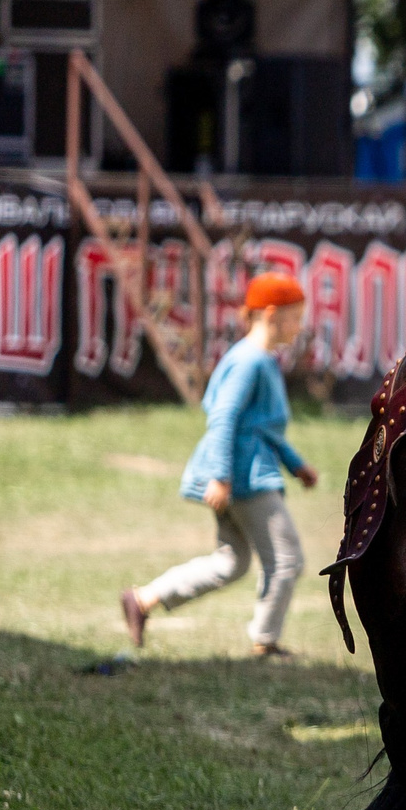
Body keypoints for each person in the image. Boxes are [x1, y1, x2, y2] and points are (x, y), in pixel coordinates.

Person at [118, 275, 318, 658]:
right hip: (245, 479)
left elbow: (261, 428)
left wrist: (296, 465)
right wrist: (222, 476)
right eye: (296, 317)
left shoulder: (256, 360)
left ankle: (143, 599)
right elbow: (224, 418)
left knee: (232, 562)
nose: (300, 327)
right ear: (272, 315)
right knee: (287, 559)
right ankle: (265, 641)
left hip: (243, 476)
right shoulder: (250, 361)